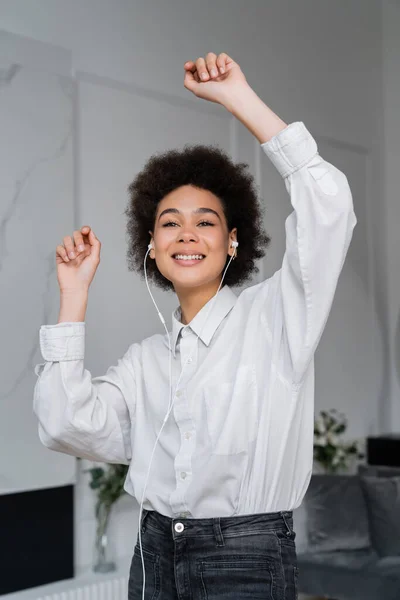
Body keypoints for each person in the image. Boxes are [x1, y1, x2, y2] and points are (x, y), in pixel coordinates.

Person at [34, 52, 357, 600]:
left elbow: (329, 207)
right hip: (152, 554)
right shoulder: (144, 362)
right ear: (152, 248)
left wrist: (238, 99)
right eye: (169, 224)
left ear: (233, 241)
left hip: (247, 562)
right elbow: (65, 425)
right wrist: (73, 295)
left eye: (206, 222)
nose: (187, 234)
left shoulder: (277, 317)